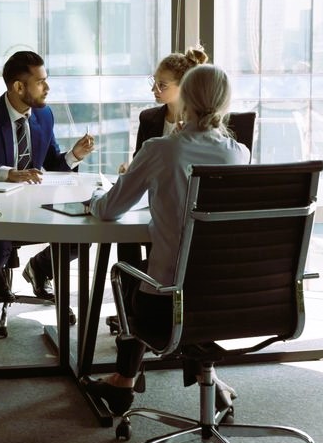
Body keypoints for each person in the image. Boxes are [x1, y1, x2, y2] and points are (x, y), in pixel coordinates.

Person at [80, 64, 250, 417]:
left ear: (184, 98)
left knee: (128, 271)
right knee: (181, 276)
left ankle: (123, 382)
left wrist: (94, 197)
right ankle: (199, 377)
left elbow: (110, 210)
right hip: (229, 300)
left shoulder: (162, 149)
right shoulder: (239, 154)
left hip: (166, 306)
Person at [0, 50, 95, 303]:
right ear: (19, 87)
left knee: (82, 235)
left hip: (36, 204)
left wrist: (74, 155)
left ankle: (40, 269)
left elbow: (51, 163)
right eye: (40, 81)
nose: (47, 87)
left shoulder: (44, 114)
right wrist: (9, 174)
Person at [119, 44, 209, 173]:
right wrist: (129, 172)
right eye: (154, 81)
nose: (154, 89)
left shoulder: (203, 122)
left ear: (184, 85)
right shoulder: (147, 118)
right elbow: (139, 164)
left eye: (162, 85)